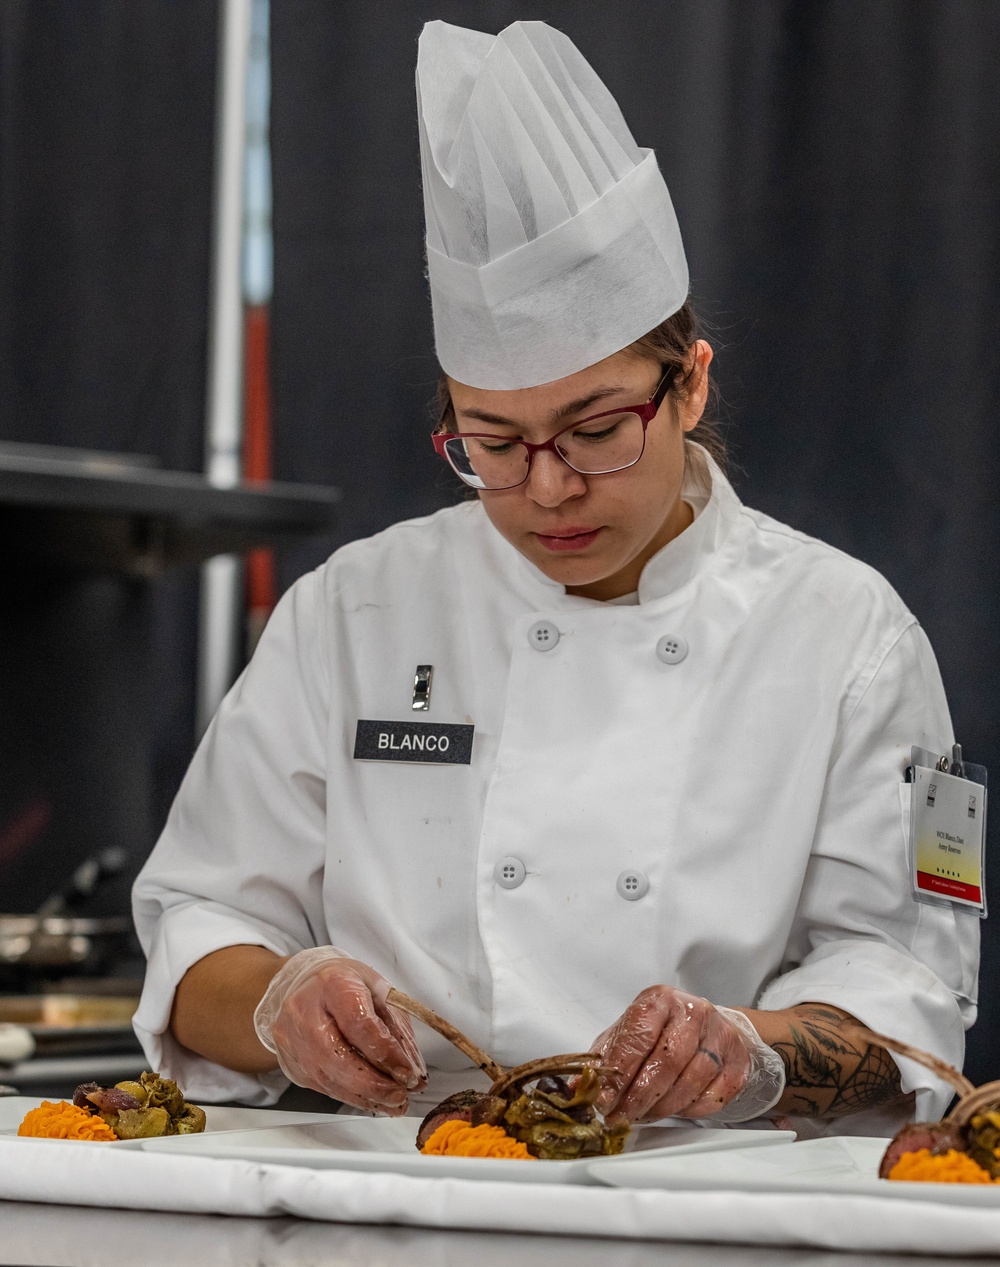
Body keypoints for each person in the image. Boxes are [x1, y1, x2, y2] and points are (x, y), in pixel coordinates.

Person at [133, 19, 977, 1134]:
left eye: (593, 430)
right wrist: (283, 1002)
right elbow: (197, 928)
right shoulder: (352, 609)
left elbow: (911, 989)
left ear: (688, 387)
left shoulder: (853, 635)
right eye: (492, 441)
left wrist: (749, 1055)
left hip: (699, 1197)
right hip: (395, 1189)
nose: (547, 489)